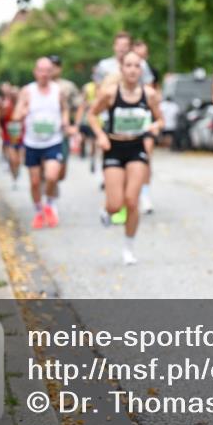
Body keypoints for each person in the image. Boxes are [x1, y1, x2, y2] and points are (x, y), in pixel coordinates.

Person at [88, 50, 163, 265]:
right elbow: (91, 115)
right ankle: (106, 208)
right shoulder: (110, 93)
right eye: (128, 65)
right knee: (115, 204)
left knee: (132, 201)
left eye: (136, 66)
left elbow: (161, 120)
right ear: (121, 69)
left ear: (141, 70)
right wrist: (101, 136)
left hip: (137, 147)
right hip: (113, 147)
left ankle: (128, 248)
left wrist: (154, 127)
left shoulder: (149, 94)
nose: (132, 69)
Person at [11, 58, 70, 230]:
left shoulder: (58, 91)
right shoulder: (27, 91)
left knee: (52, 176)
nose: (44, 74)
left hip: (53, 141)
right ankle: (38, 211)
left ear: (52, 72)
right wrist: (22, 111)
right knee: (35, 182)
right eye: (41, 70)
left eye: (47, 70)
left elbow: (65, 109)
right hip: (32, 143)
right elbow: (15, 115)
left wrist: (65, 121)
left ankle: (50, 204)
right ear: (35, 72)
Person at [132, 40, 158, 214]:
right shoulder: (124, 70)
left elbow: (155, 94)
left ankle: (145, 195)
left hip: (144, 120)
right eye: (137, 55)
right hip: (124, 123)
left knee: (145, 157)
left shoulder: (150, 72)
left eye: (143, 56)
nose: (140, 59)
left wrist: (158, 121)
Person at [48, 55, 82, 185]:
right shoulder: (39, 87)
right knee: (47, 168)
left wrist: (76, 126)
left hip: (62, 133)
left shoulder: (68, 86)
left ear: (60, 68)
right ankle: (48, 196)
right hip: (44, 133)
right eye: (49, 66)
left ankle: (52, 187)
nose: (52, 69)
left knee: (61, 172)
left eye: (55, 66)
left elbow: (79, 106)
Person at [0, 83, 24, 188]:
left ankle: (16, 172)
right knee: (13, 159)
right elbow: (0, 119)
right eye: (12, 94)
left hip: (22, 138)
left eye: (16, 94)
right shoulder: (5, 105)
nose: (14, 96)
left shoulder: (24, 106)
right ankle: (14, 179)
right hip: (9, 137)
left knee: (19, 161)